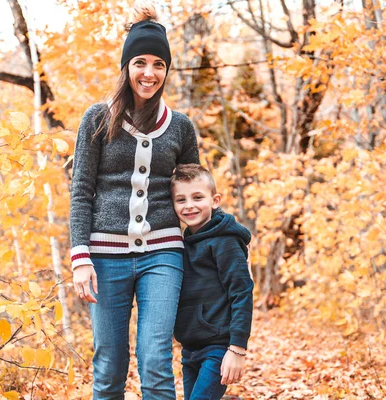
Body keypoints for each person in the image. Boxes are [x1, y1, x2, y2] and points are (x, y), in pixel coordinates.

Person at [69, 3, 200, 399]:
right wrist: (80, 257)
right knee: (108, 365)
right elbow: (81, 192)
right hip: (105, 257)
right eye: (140, 62)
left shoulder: (181, 126)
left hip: (163, 253)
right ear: (126, 66)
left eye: (159, 64)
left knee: (156, 361)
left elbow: (192, 191)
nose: (149, 73)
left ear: (166, 71)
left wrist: (220, 236)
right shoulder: (97, 119)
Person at [171, 164, 254, 400]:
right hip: (190, 349)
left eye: (198, 197)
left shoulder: (225, 241)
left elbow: (242, 292)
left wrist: (237, 348)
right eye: (181, 199)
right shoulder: (185, 242)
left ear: (215, 200)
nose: (189, 205)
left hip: (218, 347)